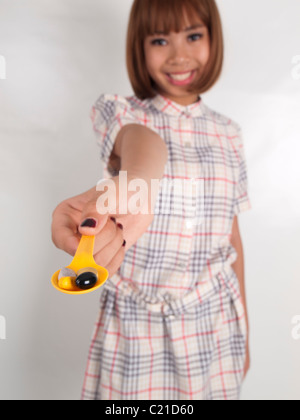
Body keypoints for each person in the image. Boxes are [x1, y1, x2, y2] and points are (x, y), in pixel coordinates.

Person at [51, 0, 251, 400]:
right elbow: (142, 141)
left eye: (193, 36)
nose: (179, 55)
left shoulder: (229, 133)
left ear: (213, 37)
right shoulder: (120, 112)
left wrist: (245, 330)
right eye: (160, 40)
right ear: (139, 47)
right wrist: (138, 183)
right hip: (135, 328)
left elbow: (232, 237)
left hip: (212, 323)